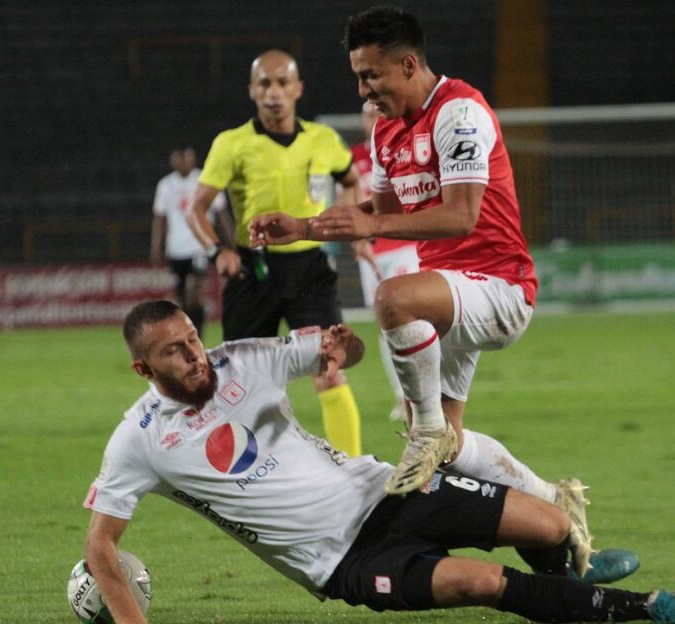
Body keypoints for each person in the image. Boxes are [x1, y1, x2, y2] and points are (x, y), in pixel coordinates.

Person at [81, 300, 675, 624]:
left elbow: (341, 350)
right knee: (481, 583)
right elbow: (101, 547)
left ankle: (567, 594)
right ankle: (642, 607)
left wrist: (340, 349)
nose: (196, 355)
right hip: (343, 562)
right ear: (144, 369)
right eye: (175, 352)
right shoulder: (137, 442)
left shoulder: (241, 358)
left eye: (193, 336)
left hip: (388, 490)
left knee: (551, 527)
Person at [249, 6, 596, 575]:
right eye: (358, 76)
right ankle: (556, 505)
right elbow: (379, 213)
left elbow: (460, 216)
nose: (363, 90)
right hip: (449, 295)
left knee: (392, 299)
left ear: (408, 64)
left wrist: (369, 226)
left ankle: (426, 432)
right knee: (452, 448)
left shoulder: (460, 111)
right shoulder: (385, 129)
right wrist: (306, 228)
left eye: (371, 76)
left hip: (500, 287)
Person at [184, 48, 364, 457]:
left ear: (298, 89)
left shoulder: (323, 140)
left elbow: (352, 180)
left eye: (282, 82)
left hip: (311, 272)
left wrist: (346, 223)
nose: (274, 92)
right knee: (245, 384)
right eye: (264, 83)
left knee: (329, 369)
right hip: (254, 272)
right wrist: (218, 252)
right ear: (252, 90)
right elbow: (195, 208)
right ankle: (256, 477)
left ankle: (355, 474)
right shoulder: (232, 144)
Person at [348, 100, 421, 421]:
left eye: (377, 113)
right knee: (385, 326)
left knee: (415, 320)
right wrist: (357, 240)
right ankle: (400, 394)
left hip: (404, 246)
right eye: (367, 114)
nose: (373, 119)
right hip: (372, 252)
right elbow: (348, 201)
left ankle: (425, 393)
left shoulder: (402, 150)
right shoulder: (353, 159)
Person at [150, 144, 230, 337]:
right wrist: (156, 248)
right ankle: (185, 336)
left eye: (186, 157)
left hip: (200, 246)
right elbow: (160, 219)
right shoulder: (166, 185)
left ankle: (198, 337)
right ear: (173, 160)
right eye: (179, 157)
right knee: (181, 298)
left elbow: (220, 214)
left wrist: (230, 243)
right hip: (176, 250)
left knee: (196, 290)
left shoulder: (205, 180)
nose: (183, 161)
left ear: (193, 159)